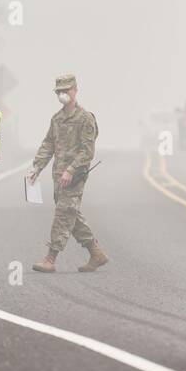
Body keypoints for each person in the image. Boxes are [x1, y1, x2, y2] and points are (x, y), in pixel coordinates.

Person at [27, 74, 107, 273]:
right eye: (59, 91)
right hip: (58, 176)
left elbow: (87, 151)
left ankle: (50, 258)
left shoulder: (85, 118)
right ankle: (96, 253)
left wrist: (71, 170)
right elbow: (48, 144)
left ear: (75, 90)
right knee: (71, 213)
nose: (63, 94)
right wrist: (37, 167)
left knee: (63, 214)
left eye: (66, 90)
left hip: (75, 177)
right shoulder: (57, 119)